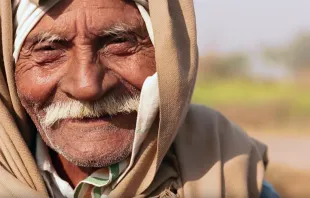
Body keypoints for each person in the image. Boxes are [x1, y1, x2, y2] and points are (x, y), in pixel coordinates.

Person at [0, 0, 279, 197]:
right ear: (8, 71)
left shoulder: (225, 170)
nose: (87, 86)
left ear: (169, 55)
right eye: (49, 49)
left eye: (118, 43)